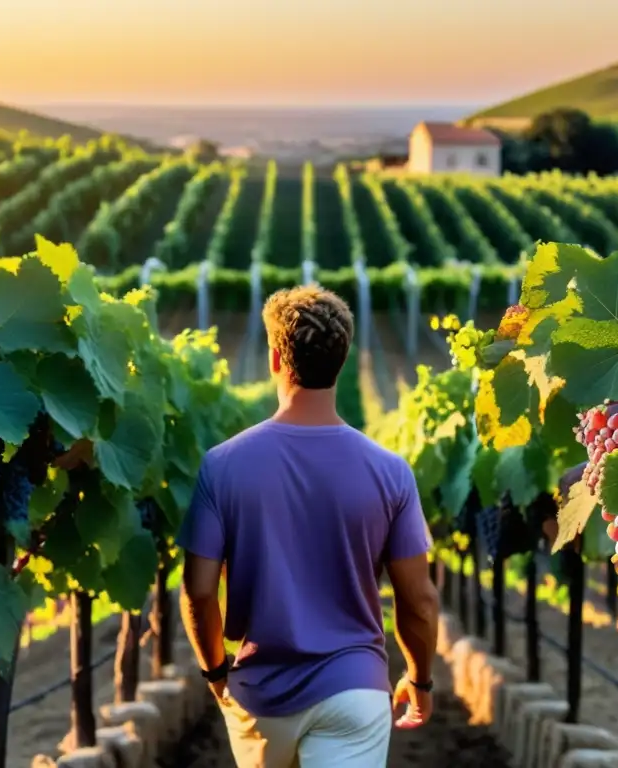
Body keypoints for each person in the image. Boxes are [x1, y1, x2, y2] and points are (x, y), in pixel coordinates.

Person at [178, 286, 440, 767]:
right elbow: (418, 600)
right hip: (354, 691)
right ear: (342, 362)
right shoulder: (390, 472)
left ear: (276, 357)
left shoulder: (223, 466)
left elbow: (197, 591)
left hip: (260, 696)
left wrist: (215, 671)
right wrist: (419, 680)